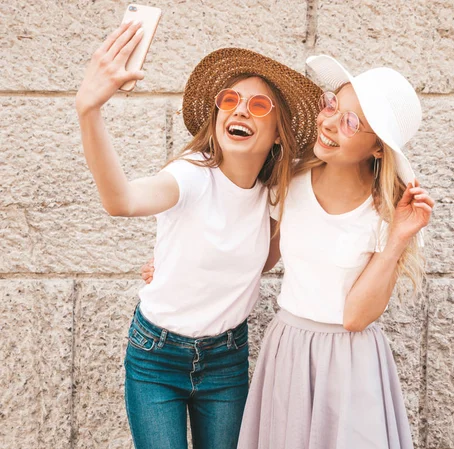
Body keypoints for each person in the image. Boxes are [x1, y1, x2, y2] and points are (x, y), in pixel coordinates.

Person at [75, 20, 321, 449]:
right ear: (218, 114)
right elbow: (122, 201)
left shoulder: (276, 196)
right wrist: (89, 110)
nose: (240, 110)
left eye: (259, 105)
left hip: (226, 359)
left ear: (278, 133)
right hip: (157, 356)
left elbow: (260, 263)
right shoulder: (189, 176)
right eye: (231, 100)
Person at [235, 55, 433, 449]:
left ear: (377, 147)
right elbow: (258, 259)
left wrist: (397, 239)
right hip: (289, 350)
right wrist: (181, 265)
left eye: (351, 122)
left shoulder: (387, 214)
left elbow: (356, 316)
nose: (328, 123)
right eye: (332, 106)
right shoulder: (287, 182)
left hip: (351, 362)